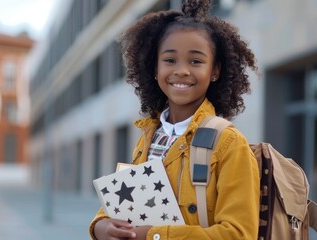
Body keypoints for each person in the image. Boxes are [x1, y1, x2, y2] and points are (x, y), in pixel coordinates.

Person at [90, 0, 260, 239]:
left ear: (215, 71)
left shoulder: (229, 143)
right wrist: (100, 226)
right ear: (154, 69)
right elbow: (125, 202)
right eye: (170, 60)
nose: (181, 70)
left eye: (195, 61)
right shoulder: (149, 137)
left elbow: (239, 234)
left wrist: (155, 235)